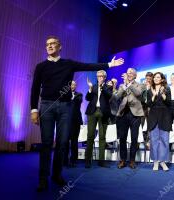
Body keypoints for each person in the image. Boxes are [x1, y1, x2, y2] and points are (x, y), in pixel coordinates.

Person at [30, 36, 124, 191]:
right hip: (46, 106)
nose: (50, 46)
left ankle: (57, 174)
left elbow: (88, 66)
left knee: (62, 143)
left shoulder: (68, 64)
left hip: (66, 107)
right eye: (47, 44)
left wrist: (109, 64)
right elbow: (34, 88)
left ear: (60, 46)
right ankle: (43, 178)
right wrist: (34, 109)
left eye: (53, 44)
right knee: (46, 143)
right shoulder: (41, 66)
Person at [116, 68, 144, 169]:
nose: (129, 74)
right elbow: (118, 96)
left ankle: (132, 160)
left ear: (135, 75)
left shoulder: (140, 85)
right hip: (123, 114)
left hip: (135, 114)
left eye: (131, 73)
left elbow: (138, 94)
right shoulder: (121, 85)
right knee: (122, 138)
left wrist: (129, 84)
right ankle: (123, 160)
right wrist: (124, 87)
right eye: (128, 73)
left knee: (134, 138)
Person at [84, 70, 112, 168]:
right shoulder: (94, 87)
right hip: (92, 112)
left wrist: (102, 87)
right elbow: (87, 98)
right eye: (98, 76)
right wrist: (90, 88)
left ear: (105, 77)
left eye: (101, 76)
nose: (99, 78)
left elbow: (109, 96)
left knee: (102, 137)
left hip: (103, 113)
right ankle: (87, 160)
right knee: (90, 136)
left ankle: (101, 161)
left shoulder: (108, 86)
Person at [147, 72, 172, 171]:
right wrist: (153, 96)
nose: (156, 79)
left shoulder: (167, 89)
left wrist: (163, 94)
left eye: (158, 77)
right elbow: (148, 104)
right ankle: (155, 162)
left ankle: (162, 161)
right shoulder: (150, 90)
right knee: (154, 140)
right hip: (153, 117)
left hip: (165, 117)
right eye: (155, 77)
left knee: (164, 140)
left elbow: (169, 103)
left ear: (162, 79)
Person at [64, 81, 83, 168]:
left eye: (74, 85)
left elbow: (78, 102)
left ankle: (73, 159)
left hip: (76, 121)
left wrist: (72, 98)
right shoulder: (64, 94)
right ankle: (64, 159)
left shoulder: (79, 94)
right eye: (71, 84)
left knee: (74, 141)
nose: (73, 86)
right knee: (65, 141)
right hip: (66, 120)